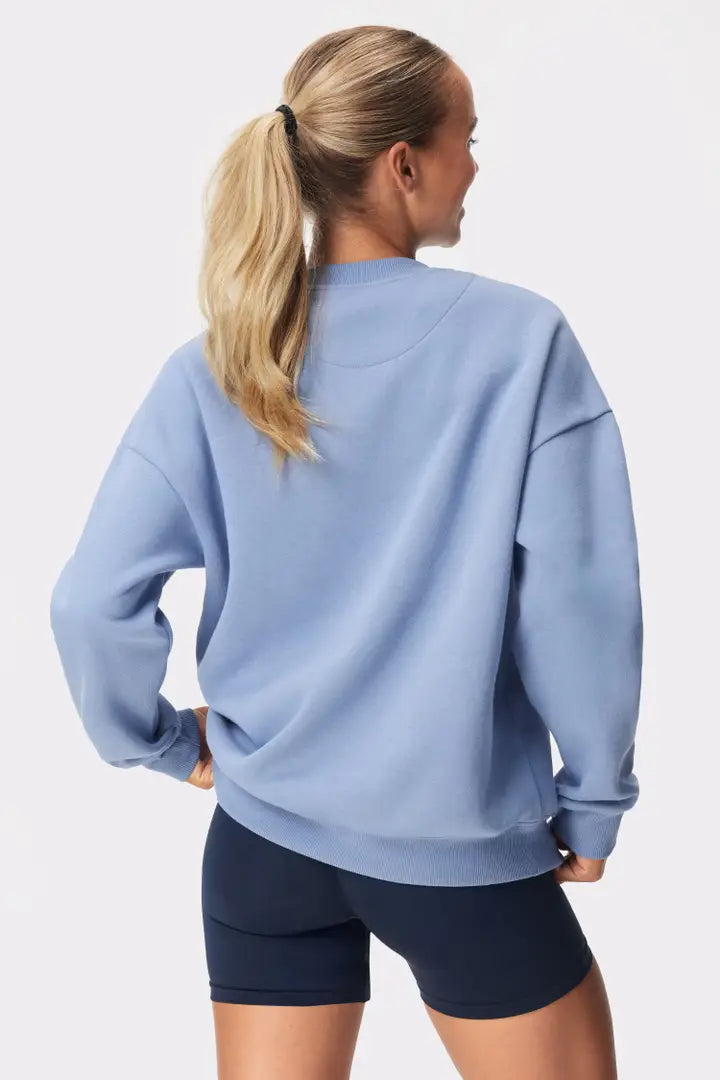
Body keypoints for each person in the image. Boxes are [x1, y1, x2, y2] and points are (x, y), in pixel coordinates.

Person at [49, 24, 642, 1080]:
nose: (475, 165)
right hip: (458, 856)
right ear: (402, 164)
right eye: (467, 138)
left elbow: (91, 601)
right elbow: (580, 605)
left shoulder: (219, 365)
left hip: (262, 847)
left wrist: (164, 744)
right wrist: (592, 799)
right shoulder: (520, 344)